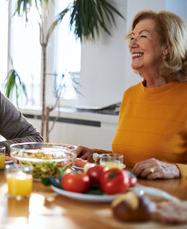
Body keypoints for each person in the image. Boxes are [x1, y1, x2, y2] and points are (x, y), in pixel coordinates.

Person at [77, 10, 187, 180]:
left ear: (167, 46)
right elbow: (131, 159)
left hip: (172, 203)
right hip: (129, 195)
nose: (132, 44)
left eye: (142, 36)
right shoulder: (130, 95)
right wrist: (96, 154)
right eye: (132, 37)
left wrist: (176, 169)